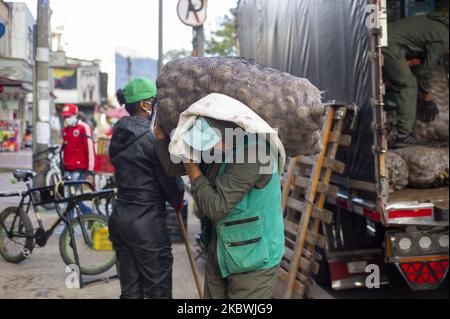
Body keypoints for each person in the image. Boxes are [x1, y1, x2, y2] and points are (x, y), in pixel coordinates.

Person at [154, 116, 285, 299]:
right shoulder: (218, 146)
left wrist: (192, 168)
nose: (205, 149)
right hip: (221, 251)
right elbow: (173, 167)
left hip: (254, 259)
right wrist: (161, 138)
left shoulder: (256, 152)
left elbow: (217, 207)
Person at [108, 78, 185, 299]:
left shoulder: (118, 134)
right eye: (156, 102)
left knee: (130, 291)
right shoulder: (153, 139)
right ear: (145, 105)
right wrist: (177, 198)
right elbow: (173, 185)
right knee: (158, 291)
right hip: (147, 225)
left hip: (121, 218)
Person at [383, 13, 449, 146]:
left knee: (401, 78)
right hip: (389, 45)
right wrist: (428, 98)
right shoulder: (444, 38)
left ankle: (394, 121)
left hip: (388, 39)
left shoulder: (438, 24)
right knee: (408, 85)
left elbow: (420, 58)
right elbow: (425, 72)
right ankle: (402, 135)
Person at [60, 103, 96, 216]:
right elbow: (65, 148)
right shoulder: (65, 130)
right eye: (65, 116)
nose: (66, 118)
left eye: (68, 116)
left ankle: (69, 223)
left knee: (71, 197)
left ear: (75, 114)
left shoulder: (84, 127)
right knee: (73, 197)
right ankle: (88, 214)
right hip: (67, 167)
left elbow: (90, 149)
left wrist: (90, 170)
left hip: (79, 168)